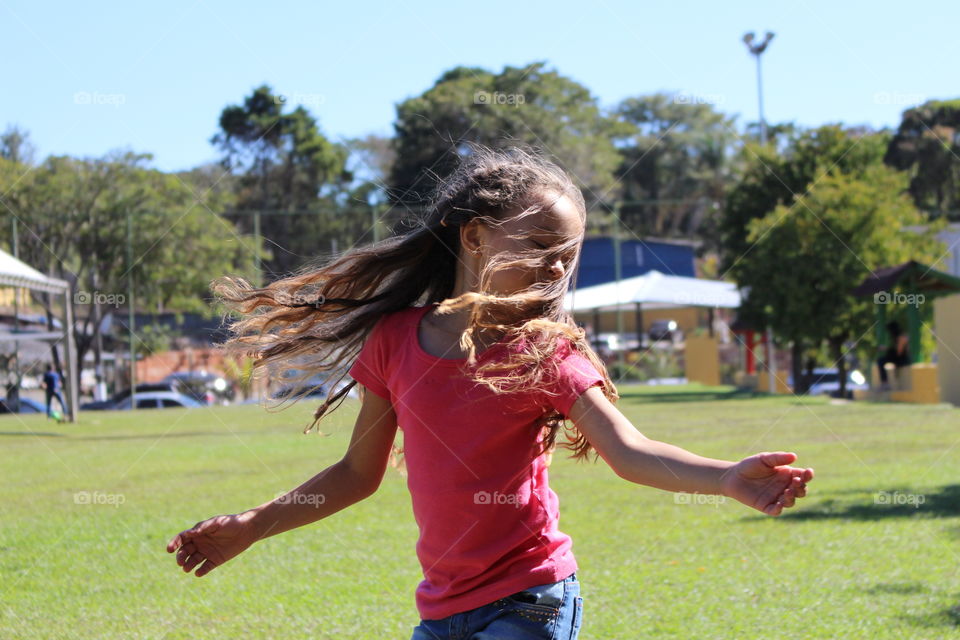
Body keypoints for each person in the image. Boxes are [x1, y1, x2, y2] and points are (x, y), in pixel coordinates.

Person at [166, 144, 814, 639]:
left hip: (531, 599)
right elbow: (355, 474)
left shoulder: (548, 350)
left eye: (568, 254)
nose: (557, 268)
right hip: (442, 611)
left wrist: (726, 476)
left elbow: (629, 450)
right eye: (539, 245)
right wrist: (253, 525)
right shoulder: (393, 342)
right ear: (474, 236)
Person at [876, 321, 910, 389]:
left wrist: (886, 349)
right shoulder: (896, 337)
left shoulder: (901, 336)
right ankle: (884, 383)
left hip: (902, 360)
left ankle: (885, 383)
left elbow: (899, 352)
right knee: (880, 360)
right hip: (897, 358)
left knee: (881, 361)